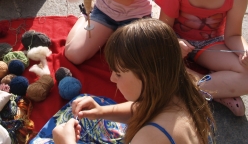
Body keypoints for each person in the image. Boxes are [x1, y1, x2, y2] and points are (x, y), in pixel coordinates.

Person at [52, 19, 215, 144]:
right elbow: (144, 109)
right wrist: (102, 111)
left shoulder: (150, 137)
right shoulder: (180, 90)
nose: (112, 78)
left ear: (150, 78)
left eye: (119, 73)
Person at [155, 0, 248, 116]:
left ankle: (193, 85)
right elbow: (163, 29)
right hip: (174, 43)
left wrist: (244, 51)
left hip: (209, 44)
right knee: (153, 59)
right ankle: (215, 89)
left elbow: (233, 35)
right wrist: (175, 43)